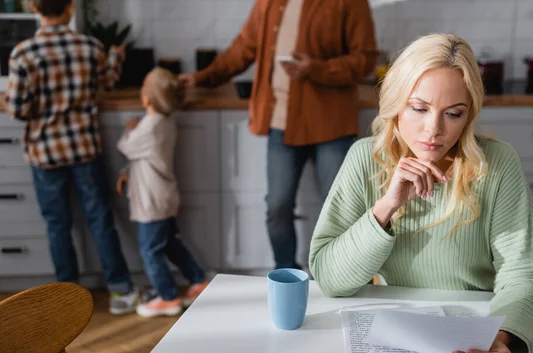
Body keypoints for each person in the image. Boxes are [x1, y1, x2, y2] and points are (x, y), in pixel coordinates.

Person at [308, 34, 533, 353]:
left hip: (476, 334)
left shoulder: (497, 164)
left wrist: (505, 338)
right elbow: (331, 280)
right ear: (396, 102)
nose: (433, 130)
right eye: (419, 108)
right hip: (395, 339)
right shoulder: (365, 158)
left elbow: (526, 274)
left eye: (453, 114)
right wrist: (386, 207)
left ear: (469, 115)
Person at [179, 0, 378, 270]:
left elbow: (365, 59)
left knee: (342, 211)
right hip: (281, 123)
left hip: (330, 123)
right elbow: (244, 48)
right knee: (277, 208)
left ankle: (341, 274)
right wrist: (204, 77)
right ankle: (287, 275)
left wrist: (316, 68)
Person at [3, 0, 139, 314]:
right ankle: (121, 291)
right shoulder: (90, 46)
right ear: (70, 8)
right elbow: (106, 82)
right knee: (100, 220)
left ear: (34, 9)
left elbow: (20, 109)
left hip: (46, 153)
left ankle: (65, 299)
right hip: (85, 150)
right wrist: (116, 57)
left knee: (58, 225)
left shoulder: (23, 53)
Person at [117, 67, 210, 317]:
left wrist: (129, 127)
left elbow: (127, 147)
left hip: (152, 201)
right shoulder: (166, 121)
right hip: (165, 196)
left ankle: (167, 296)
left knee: (150, 250)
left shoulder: (148, 126)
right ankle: (197, 280)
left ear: (146, 98)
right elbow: (145, 156)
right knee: (169, 243)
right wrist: (128, 172)